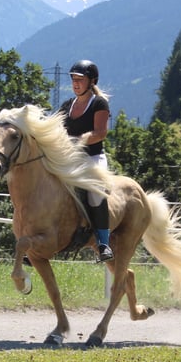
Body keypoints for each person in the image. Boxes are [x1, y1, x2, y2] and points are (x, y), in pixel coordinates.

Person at [58, 59, 114, 262]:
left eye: (80, 79)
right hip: (71, 159)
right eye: (73, 79)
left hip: (92, 158)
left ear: (92, 81)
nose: (75, 83)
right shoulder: (67, 105)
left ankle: (103, 243)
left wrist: (78, 140)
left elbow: (100, 133)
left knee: (94, 195)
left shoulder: (99, 103)